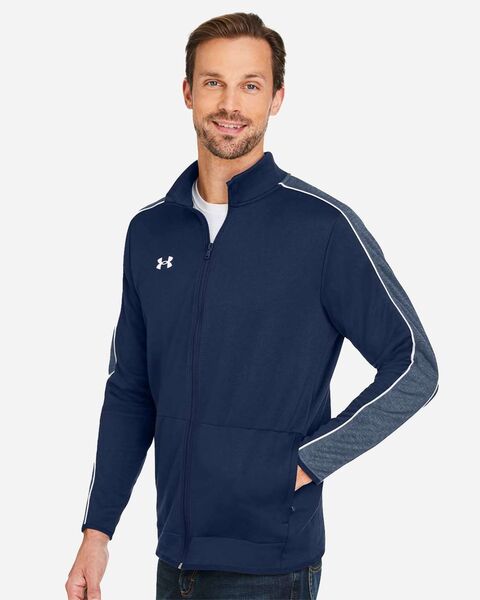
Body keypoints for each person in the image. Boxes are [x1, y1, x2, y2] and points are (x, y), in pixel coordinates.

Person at [65, 12, 440, 600]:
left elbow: (414, 366)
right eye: (214, 82)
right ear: (188, 92)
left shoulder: (322, 229)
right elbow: (132, 390)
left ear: (277, 98)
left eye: (250, 85)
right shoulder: (151, 232)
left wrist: (306, 462)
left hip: (271, 566)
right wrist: (97, 532)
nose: (230, 104)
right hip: (174, 559)